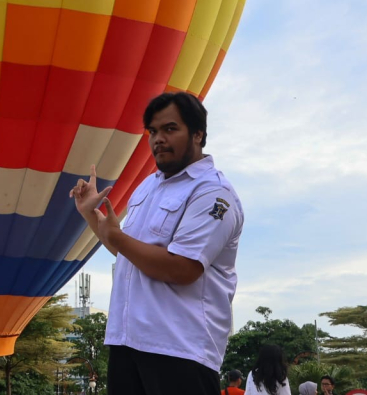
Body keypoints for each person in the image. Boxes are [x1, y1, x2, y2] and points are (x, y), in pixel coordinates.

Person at [70, 92, 244, 395]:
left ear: (198, 134)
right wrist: (90, 215)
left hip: (180, 348)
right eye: (152, 131)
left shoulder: (213, 192)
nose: (158, 139)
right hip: (126, 342)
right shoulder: (148, 186)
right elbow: (129, 254)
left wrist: (119, 237)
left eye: (170, 129)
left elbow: (183, 268)